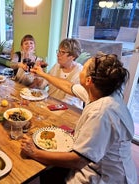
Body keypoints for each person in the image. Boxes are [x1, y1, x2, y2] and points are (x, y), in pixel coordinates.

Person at [21, 54, 137, 183]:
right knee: (49, 172)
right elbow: (68, 86)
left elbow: (78, 160)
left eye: (83, 69)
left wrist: (34, 152)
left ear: (88, 81)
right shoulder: (99, 91)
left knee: (48, 172)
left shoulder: (102, 113)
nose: (80, 69)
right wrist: (42, 74)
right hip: (93, 163)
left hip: (105, 176)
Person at [48, 38, 84, 108]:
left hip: (70, 111)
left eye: (63, 52)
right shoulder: (56, 66)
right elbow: (43, 83)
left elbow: (68, 101)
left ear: (73, 56)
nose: (58, 55)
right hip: (51, 106)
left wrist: (48, 105)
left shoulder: (79, 72)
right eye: (59, 51)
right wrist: (37, 75)